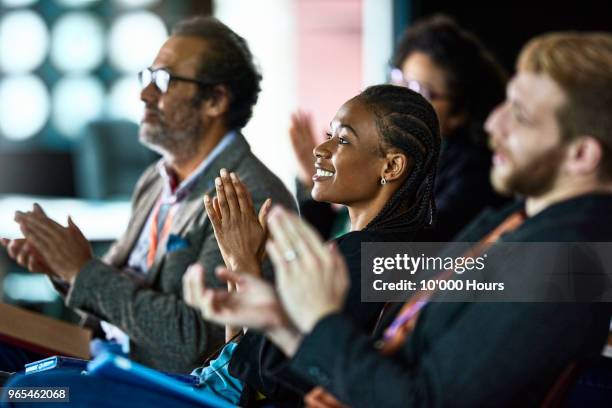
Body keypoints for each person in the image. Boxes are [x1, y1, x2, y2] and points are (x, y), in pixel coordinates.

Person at [184, 31, 612, 407]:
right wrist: (280, 320)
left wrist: (314, 317)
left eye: (519, 114)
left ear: (581, 155)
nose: (494, 124)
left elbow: (417, 398)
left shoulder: (565, 266)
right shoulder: (521, 231)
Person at [2, 84, 442, 407]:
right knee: (26, 379)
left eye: (343, 140)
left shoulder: (359, 258)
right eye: (329, 134)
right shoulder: (369, 249)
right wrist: (242, 264)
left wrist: (245, 269)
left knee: (29, 391)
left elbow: (259, 376)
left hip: (197, 395)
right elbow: (245, 357)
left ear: (392, 166)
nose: (321, 150)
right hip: (194, 386)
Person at [0, 16, 296, 373]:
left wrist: (84, 271)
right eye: (148, 76)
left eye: (164, 80)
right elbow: (113, 293)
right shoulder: (154, 181)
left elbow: (196, 347)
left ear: (216, 100)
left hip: (156, 386)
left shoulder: (246, 194)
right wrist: (65, 270)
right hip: (103, 360)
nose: (145, 93)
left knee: (25, 394)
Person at [291, 15, 509, 241]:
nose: (400, 96)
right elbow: (336, 242)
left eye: (418, 89)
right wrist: (313, 182)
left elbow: (409, 251)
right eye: (399, 79)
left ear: (458, 112)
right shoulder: (385, 151)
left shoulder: (471, 176)